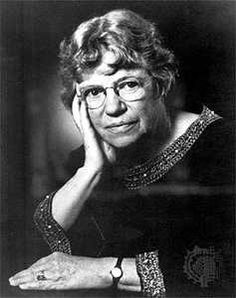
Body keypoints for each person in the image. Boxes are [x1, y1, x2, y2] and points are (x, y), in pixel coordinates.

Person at [9, 9, 234, 297]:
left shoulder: (223, 145)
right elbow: (33, 256)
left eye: (128, 85)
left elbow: (221, 269)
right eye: (94, 92)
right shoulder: (88, 159)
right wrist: (90, 170)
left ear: (160, 82)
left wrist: (104, 271)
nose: (112, 108)